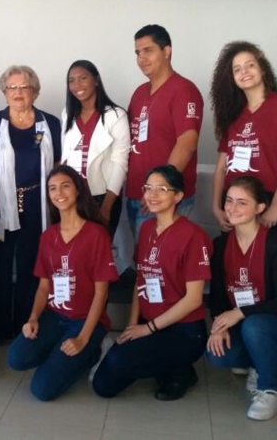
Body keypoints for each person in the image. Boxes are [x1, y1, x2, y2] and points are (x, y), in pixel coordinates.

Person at [92, 165, 211, 401]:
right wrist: (132, 324)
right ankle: (161, 361)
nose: (152, 195)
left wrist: (147, 329)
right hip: (149, 322)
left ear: (178, 196)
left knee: (118, 360)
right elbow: (141, 281)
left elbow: (194, 299)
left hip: (183, 330)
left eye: (162, 189)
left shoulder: (194, 236)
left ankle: (180, 370)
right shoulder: (146, 228)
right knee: (103, 386)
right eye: (148, 188)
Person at [205, 177, 277, 420]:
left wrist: (241, 312)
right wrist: (219, 325)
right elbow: (218, 295)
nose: (232, 208)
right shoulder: (221, 245)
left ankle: (270, 390)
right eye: (229, 201)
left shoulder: (276, 245)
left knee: (256, 325)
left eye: (242, 203)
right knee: (217, 354)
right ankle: (258, 361)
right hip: (243, 324)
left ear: (260, 208)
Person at [8, 166, 117, 400]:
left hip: (85, 321)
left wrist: (83, 338)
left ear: (77, 190)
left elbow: (101, 294)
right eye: (52, 188)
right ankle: (59, 352)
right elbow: (44, 287)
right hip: (55, 316)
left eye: (65, 185)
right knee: (16, 358)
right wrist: (34, 318)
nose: (59, 192)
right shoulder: (48, 236)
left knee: (42, 390)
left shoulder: (97, 234)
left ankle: (94, 349)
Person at [0, 65, 62, 343]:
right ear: (4, 91)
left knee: (31, 267)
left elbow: (58, 167)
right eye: (12, 87)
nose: (18, 92)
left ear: (35, 91)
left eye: (24, 87)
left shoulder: (51, 123)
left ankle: (27, 326)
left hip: (37, 205)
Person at [210, 41, 277, 239]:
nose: (244, 71)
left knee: (267, 265)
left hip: (268, 202)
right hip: (233, 204)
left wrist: (276, 207)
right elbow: (221, 167)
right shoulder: (232, 113)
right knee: (232, 264)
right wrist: (217, 207)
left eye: (250, 65)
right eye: (237, 69)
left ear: (262, 68)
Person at [126, 24, 203, 237]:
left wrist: (157, 189)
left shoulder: (183, 90)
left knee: (163, 265)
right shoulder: (139, 93)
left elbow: (187, 144)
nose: (141, 58)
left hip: (164, 198)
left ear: (167, 51)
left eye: (148, 50)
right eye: (137, 52)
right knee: (144, 262)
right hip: (135, 194)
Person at [60, 60, 129, 238]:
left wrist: (106, 208)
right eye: (71, 81)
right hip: (72, 196)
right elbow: (65, 157)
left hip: (101, 196)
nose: (77, 85)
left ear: (96, 80)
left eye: (83, 78)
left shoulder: (115, 115)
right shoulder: (68, 114)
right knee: (74, 253)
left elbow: (120, 163)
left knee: (98, 254)